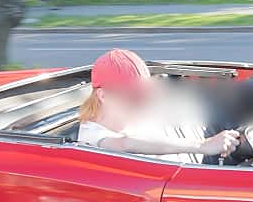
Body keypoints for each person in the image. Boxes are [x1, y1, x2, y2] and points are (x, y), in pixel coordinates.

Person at [76, 48, 239, 162]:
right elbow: (125, 144)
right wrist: (203, 146)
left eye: (143, 94)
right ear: (103, 95)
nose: (142, 102)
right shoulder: (93, 136)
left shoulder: (137, 117)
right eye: (132, 95)